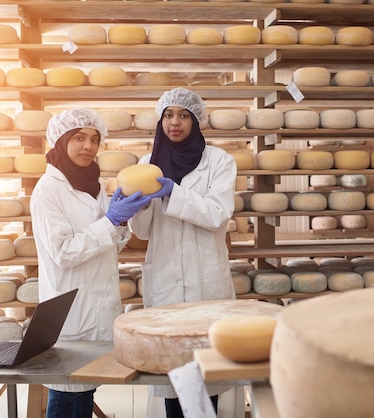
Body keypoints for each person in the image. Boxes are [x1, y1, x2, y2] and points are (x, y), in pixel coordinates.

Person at [30, 108, 152, 418]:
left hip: (96, 300)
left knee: (84, 385)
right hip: (69, 305)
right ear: (60, 140)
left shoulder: (92, 184)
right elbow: (64, 252)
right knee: (65, 389)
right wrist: (110, 221)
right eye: (79, 138)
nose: (88, 146)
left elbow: (109, 243)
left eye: (94, 139)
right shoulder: (49, 189)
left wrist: (122, 221)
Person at [128, 87, 238, 418]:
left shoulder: (219, 161)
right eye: (168, 115)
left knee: (206, 375)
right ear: (160, 120)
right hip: (165, 283)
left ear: (196, 120)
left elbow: (218, 214)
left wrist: (173, 193)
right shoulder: (146, 165)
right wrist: (138, 207)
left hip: (205, 280)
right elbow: (143, 232)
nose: (175, 122)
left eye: (184, 115)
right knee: (172, 375)